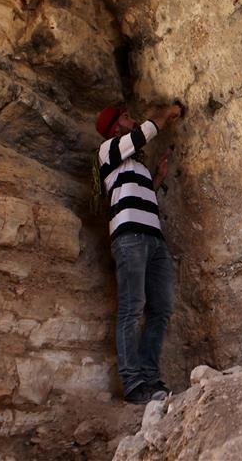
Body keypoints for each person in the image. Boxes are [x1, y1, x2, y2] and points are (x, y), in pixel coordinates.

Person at [94, 103, 182, 404]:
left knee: (161, 308)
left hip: (154, 239)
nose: (131, 120)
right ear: (114, 127)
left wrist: (156, 177)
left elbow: (145, 197)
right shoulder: (108, 150)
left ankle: (150, 378)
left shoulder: (135, 166)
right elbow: (146, 131)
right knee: (132, 308)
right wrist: (166, 112)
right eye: (126, 117)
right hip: (129, 237)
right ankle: (133, 384)